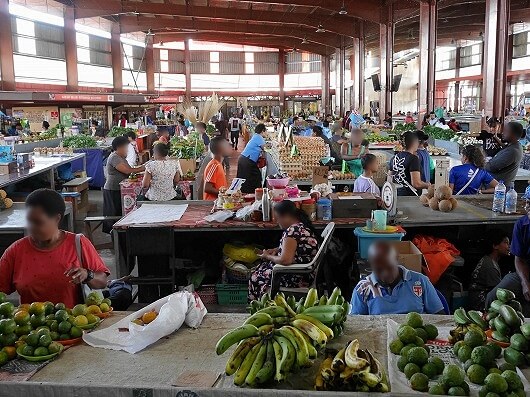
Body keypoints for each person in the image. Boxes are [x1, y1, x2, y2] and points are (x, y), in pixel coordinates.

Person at [0, 189, 109, 307]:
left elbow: (102, 281)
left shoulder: (78, 243)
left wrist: (87, 275)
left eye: (38, 222)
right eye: (29, 221)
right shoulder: (16, 251)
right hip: (31, 323)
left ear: (57, 219)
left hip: (74, 322)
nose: (31, 228)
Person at [248, 200, 319, 300]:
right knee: (261, 268)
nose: (278, 222)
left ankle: (261, 307)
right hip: (305, 272)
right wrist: (276, 250)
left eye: (278, 219)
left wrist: (267, 256)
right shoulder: (301, 226)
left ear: (286, 216)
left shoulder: (292, 231)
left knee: (255, 277)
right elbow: (296, 247)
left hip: (297, 276)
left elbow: (285, 260)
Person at [350, 241, 444, 315]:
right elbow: (357, 324)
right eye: (379, 269)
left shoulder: (420, 281)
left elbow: (439, 316)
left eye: (389, 267)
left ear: (397, 259)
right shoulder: (362, 289)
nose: (385, 274)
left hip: (416, 335)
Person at [485, 186, 530, 317]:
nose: (528, 207)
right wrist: (525, 282)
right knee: (492, 297)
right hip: (525, 272)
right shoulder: (522, 225)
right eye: (528, 202)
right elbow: (519, 259)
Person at [103, 136, 145, 233]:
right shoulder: (114, 157)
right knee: (113, 214)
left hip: (120, 189)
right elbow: (127, 171)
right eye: (126, 148)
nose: (127, 150)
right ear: (119, 147)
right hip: (113, 190)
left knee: (119, 212)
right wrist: (143, 168)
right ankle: (115, 237)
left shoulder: (121, 157)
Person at [468, 229, 510, 311]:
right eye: (506, 243)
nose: (509, 246)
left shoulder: (488, 259)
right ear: (495, 246)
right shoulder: (490, 267)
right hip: (481, 304)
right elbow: (499, 293)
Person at [484, 121, 524, 187]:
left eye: (506, 131)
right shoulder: (511, 146)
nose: (503, 133)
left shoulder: (512, 151)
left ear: (513, 135)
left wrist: (481, 162)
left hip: (500, 189)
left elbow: (491, 167)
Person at [390, 131, 430, 196]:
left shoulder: (394, 158)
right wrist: (428, 185)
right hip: (410, 197)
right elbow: (416, 184)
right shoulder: (413, 159)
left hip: (396, 195)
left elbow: (390, 179)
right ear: (414, 143)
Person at [237, 123, 266, 193]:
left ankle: (246, 194)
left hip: (244, 159)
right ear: (262, 131)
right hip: (247, 160)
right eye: (266, 131)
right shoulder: (259, 137)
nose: (266, 133)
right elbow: (265, 148)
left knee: (244, 179)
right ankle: (254, 194)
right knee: (255, 177)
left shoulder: (255, 136)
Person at [203, 136, 231, 200]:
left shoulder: (219, 164)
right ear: (220, 149)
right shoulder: (214, 165)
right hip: (212, 203)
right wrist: (225, 194)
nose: (229, 148)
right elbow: (207, 188)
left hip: (219, 202)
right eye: (226, 146)